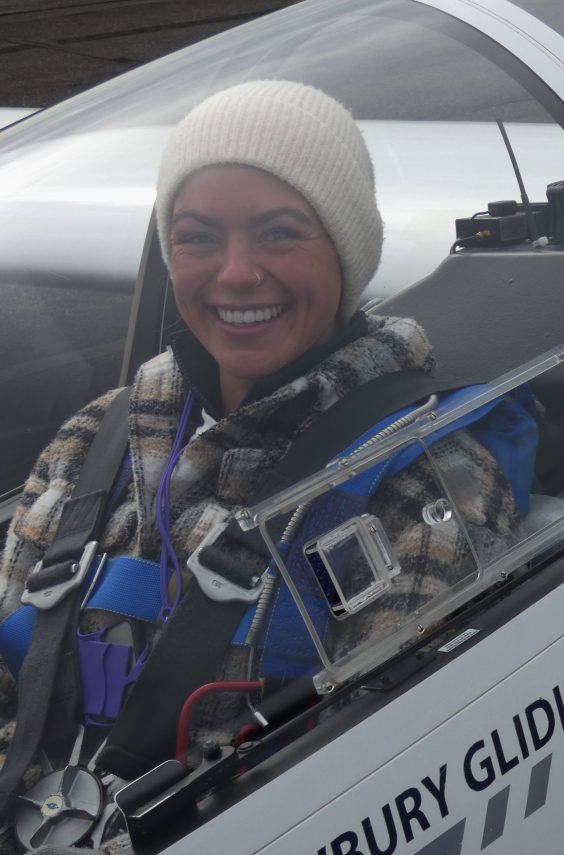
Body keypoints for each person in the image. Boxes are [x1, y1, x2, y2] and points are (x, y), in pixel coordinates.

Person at [0, 80, 520, 853]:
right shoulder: (95, 439)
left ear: (347, 253)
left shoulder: (428, 481)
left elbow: (389, 792)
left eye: (279, 233)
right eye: (198, 236)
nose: (236, 273)